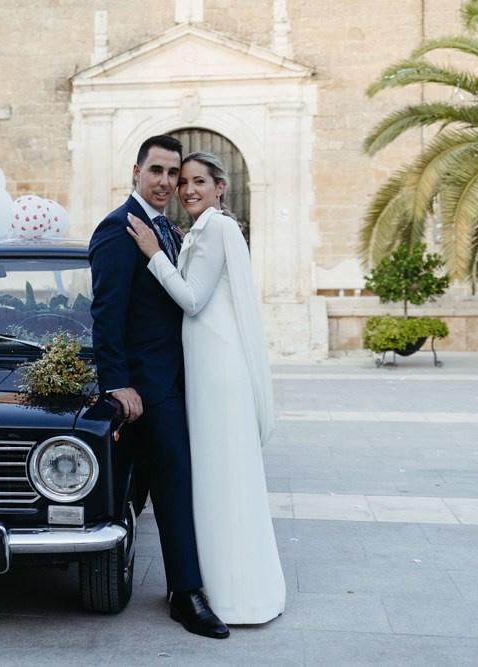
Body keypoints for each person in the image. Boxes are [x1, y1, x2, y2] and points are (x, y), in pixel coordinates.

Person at [126, 151, 286, 625]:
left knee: (223, 476)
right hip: (202, 368)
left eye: (199, 181)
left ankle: (237, 594)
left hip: (218, 370)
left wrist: (155, 256)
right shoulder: (197, 230)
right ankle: (221, 584)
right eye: (183, 182)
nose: (188, 189)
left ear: (221, 187)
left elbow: (193, 300)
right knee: (217, 477)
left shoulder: (217, 228)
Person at [89, 136, 229, 639]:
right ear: (136, 171)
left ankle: (171, 580)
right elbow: (105, 313)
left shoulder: (165, 228)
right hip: (147, 389)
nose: (168, 182)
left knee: (149, 485)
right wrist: (118, 384)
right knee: (172, 480)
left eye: (174, 173)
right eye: (158, 171)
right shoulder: (117, 229)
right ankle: (186, 595)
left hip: (175, 380)